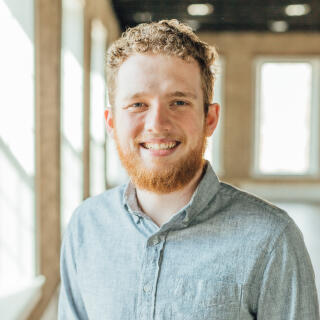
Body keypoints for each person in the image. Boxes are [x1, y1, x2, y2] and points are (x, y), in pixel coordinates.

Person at [58, 19, 319, 319]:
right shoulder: (85, 227)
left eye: (179, 102)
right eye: (138, 105)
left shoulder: (272, 240)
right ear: (112, 122)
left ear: (210, 119)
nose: (157, 124)